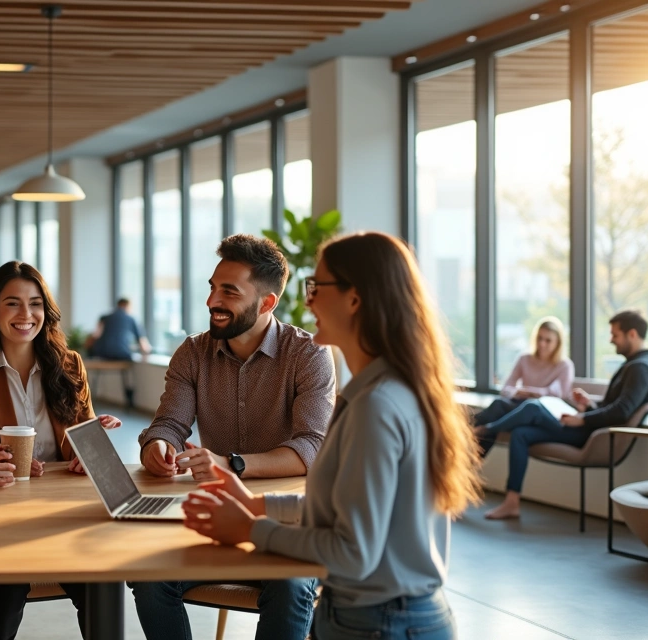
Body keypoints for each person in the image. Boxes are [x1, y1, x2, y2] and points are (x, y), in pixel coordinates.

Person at [183, 231, 482, 640]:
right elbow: (348, 509)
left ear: (354, 299)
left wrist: (249, 530)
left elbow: (353, 553)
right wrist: (256, 505)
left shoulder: (377, 406)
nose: (307, 301)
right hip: (385, 618)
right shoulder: (384, 390)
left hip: (381, 624)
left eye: (316, 287)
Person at [129, 234, 335, 640]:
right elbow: (169, 423)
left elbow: (311, 448)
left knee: (292, 585)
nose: (211, 301)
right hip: (217, 520)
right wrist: (159, 448)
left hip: (284, 521)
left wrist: (230, 464)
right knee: (148, 578)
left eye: (229, 292)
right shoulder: (192, 352)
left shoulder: (308, 355)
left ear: (267, 303)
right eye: (212, 288)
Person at [0, 261, 122, 640]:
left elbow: (87, 452)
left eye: (35, 303)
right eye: (13, 303)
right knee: (7, 588)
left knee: (101, 586)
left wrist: (91, 450)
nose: (26, 315)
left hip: (63, 516)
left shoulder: (70, 366)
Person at [480, 309, 648, 520]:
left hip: (590, 435)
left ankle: (485, 430)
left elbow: (621, 413)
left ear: (632, 334)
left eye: (615, 335)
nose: (612, 340)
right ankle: (512, 503)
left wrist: (582, 418)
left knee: (532, 408)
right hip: (587, 427)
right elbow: (615, 407)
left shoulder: (641, 368)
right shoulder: (634, 365)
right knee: (521, 433)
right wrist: (590, 404)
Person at [472, 316, 575, 433]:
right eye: (539, 338)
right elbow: (506, 388)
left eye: (548, 340)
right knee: (498, 404)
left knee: (529, 407)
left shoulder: (565, 365)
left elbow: (560, 395)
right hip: (519, 406)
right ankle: (470, 434)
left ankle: (481, 430)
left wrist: (533, 392)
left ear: (558, 343)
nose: (542, 344)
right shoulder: (524, 358)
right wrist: (516, 392)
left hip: (543, 412)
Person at [88, 298, 151, 407]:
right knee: (129, 373)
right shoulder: (131, 319)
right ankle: (129, 401)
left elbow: (96, 335)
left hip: (103, 354)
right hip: (121, 354)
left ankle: (91, 401)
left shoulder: (105, 317)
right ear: (128, 306)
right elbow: (143, 344)